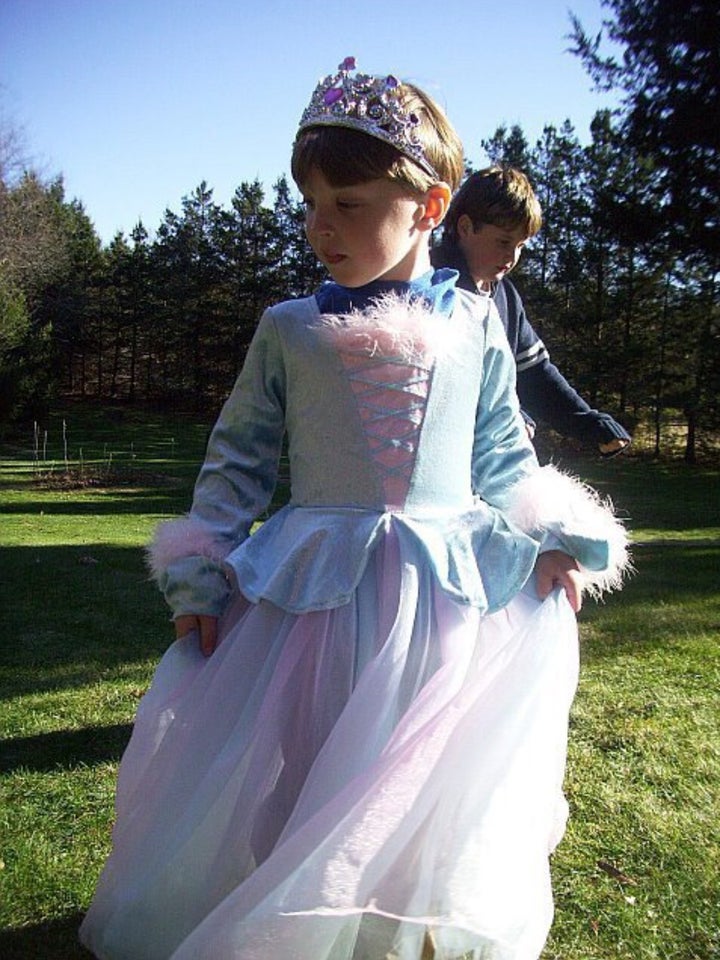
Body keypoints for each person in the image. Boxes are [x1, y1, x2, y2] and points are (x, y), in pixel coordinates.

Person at [80, 58, 629, 960]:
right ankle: (292, 922)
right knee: (307, 761)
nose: (320, 227)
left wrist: (548, 530)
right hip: (312, 604)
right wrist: (200, 564)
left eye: (350, 204)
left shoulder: (476, 325)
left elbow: (501, 448)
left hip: (444, 595)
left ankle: (400, 922)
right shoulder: (290, 329)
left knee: (421, 769)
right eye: (311, 204)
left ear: (431, 205)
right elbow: (239, 458)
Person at [432, 166, 632, 457]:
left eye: (520, 246)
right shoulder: (429, 283)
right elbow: (437, 385)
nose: (511, 257)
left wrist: (589, 424)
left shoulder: (506, 298)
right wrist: (510, 418)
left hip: (486, 465)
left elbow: (534, 373)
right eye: (503, 241)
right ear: (465, 227)